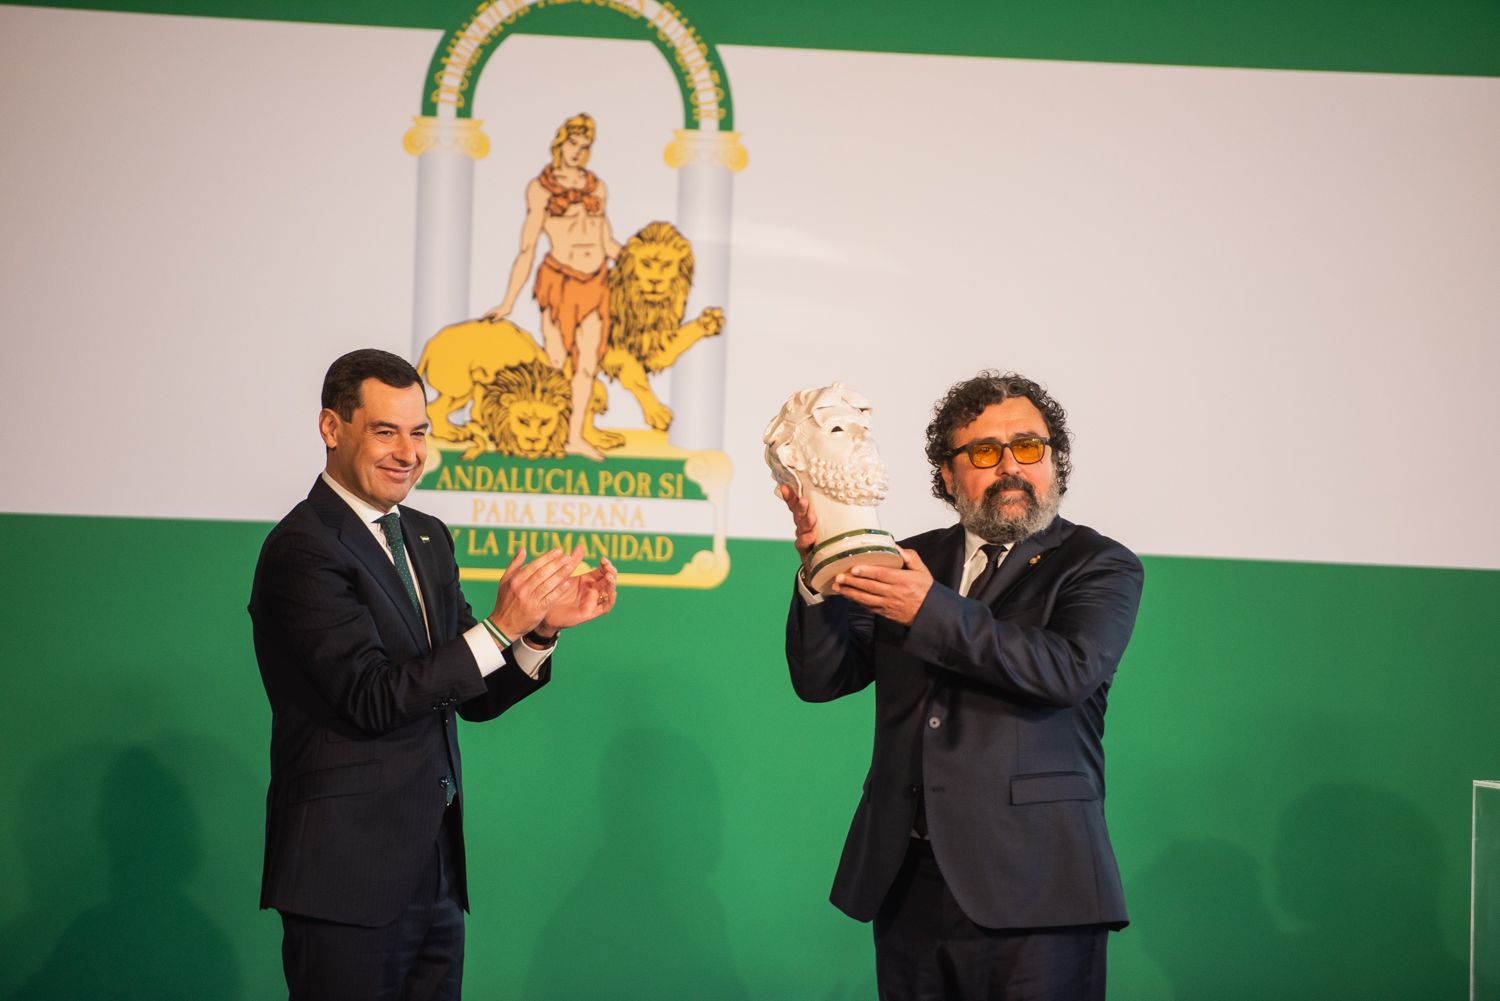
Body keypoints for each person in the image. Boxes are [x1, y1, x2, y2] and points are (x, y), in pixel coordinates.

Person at [249, 348, 616, 1000]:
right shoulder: (303, 548)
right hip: (345, 877)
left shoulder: (427, 537)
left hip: (436, 872)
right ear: (332, 427)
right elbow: (372, 696)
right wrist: (499, 627)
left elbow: (469, 692)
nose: (407, 452)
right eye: (384, 431)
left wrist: (537, 631)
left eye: (418, 432)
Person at [780, 370, 1144, 1000]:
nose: (1010, 467)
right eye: (984, 453)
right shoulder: (903, 556)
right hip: (907, 883)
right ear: (948, 476)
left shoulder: (1099, 564)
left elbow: (1066, 670)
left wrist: (929, 610)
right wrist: (819, 571)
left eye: (1027, 447)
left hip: (1037, 888)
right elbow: (822, 678)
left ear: (1054, 461)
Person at [484, 112, 621, 460]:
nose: (578, 152)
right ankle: (553, 435)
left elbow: (608, 242)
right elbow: (527, 247)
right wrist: (508, 302)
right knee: (558, 363)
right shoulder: (541, 188)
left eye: (585, 146)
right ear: (560, 142)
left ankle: (574, 437)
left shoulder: (597, 186)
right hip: (560, 280)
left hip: (596, 281)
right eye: (573, 144)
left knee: (587, 365)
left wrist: (636, 260)